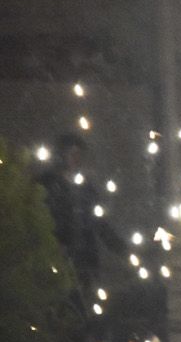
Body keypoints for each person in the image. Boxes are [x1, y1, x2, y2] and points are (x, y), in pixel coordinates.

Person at [32, 132, 126, 321]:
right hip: (56, 262)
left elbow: (100, 223)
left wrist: (122, 250)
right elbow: (37, 220)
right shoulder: (45, 185)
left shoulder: (86, 189)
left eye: (78, 154)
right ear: (61, 154)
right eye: (71, 153)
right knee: (60, 310)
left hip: (84, 263)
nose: (76, 159)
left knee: (84, 312)